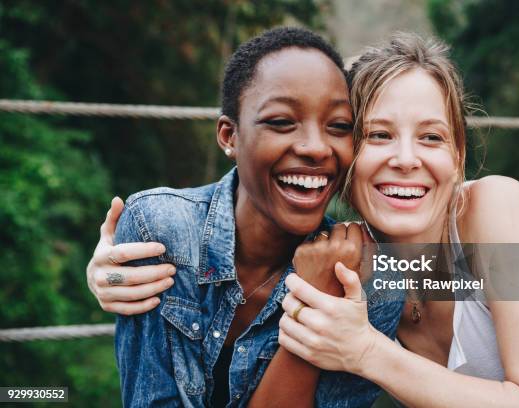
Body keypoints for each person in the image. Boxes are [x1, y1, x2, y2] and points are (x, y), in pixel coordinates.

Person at [278, 32, 519, 407]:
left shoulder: (499, 207)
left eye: (431, 137)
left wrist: (366, 352)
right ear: (345, 158)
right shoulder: (358, 269)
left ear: (457, 157)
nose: (406, 159)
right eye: (379, 134)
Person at [86, 27, 404, 407]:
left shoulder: (370, 283)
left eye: (338, 127)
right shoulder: (161, 230)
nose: (317, 148)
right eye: (281, 122)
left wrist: (320, 298)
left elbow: (480, 271)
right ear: (229, 136)